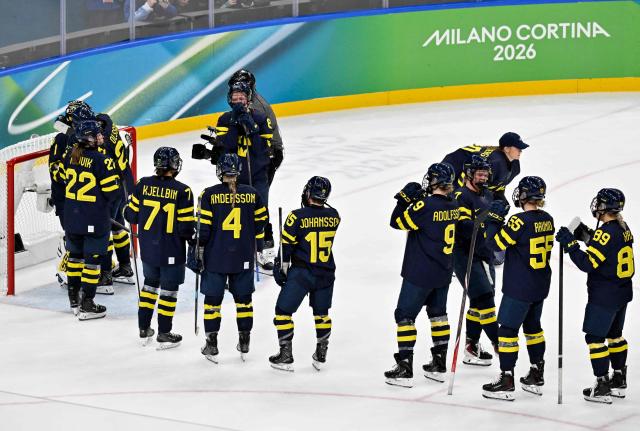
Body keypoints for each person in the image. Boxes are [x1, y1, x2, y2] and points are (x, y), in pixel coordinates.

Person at [384, 163, 459, 387]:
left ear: (435, 181)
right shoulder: (453, 204)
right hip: (443, 271)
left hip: (420, 271)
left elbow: (396, 222)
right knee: (438, 315)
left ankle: (405, 367)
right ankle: (439, 363)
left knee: (405, 315)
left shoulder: (424, 206)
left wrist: (403, 200)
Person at [556, 188, 633, 404]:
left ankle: (602, 385)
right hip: (622, 292)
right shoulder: (623, 227)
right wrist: (586, 235)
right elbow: (607, 247)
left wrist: (571, 245)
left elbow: (589, 264)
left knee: (595, 337)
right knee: (615, 335)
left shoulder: (606, 232)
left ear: (603, 208)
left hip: (604, 295)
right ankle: (619, 379)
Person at [481, 176, 555, 400]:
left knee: (507, 331)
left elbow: (495, 244)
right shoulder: (548, 218)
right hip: (539, 284)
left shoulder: (518, 221)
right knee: (533, 328)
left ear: (524, 196)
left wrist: (493, 219)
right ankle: (536, 373)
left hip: (519, 286)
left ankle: (506, 379)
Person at [194, 153, 268, 363]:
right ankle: (244, 342)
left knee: (212, 303)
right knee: (244, 302)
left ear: (220, 171)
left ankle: (212, 344)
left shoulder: (208, 195)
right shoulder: (252, 194)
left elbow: (203, 231)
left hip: (215, 257)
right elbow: (261, 223)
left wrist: (198, 252)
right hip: (243, 256)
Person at [124, 147, 194, 349]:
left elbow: (132, 216)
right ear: (174, 165)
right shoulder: (183, 191)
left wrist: (125, 209)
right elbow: (185, 229)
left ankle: (144, 328)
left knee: (149, 287)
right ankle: (164, 332)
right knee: (169, 292)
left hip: (148, 249)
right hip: (171, 250)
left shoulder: (143, 185)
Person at [269, 176, 340, 372]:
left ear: (309, 192)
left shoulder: (295, 216)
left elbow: (286, 249)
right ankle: (321, 352)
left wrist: (280, 269)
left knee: (282, 312)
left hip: (302, 273)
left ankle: (285, 355)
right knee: (322, 314)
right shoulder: (334, 215)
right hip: (325, 272)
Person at [62, 120, 120, 320]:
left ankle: (73, 300)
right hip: (94, 219)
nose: (101, 137)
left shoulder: (70, 155)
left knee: (75, 258)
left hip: (71, 217)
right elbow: (113, 192)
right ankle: (87, 302)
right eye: (97, 135)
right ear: (89, 138)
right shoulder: (101, 160)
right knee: (92, 262)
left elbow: (62, 181)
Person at [216, 81, 274, 269]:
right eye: (235, 98)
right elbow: (227, 148)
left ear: (248, 99)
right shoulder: (224, 120)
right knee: (231, 214)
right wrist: (234, 124)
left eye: (242, 98)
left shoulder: (260, 117)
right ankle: (233, 250)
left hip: (257, 175)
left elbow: (261, 151)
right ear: (230, 100)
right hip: (233, 178)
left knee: (261, 212)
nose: (239, 101)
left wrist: (252, 129)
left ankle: (263, 251)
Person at [228, 69, 284, 258]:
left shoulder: (257, 109)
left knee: (258, 202)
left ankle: (265, 246)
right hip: (258, 155)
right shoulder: (245, 102)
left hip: (267, 156)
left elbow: (256, 142)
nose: (236, 94)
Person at [453, 155, 498, 365]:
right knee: (485, 301)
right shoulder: (460, 196)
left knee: (478, 302)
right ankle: (500, 347)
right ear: (470, 174)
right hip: (465, 256)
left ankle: (472, 347)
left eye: (485, 174)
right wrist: (487, 221)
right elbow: (463, 228)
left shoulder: (488, 194)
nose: (483, 177)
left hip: (485, 254)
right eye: (479, 174)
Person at [50, 100, 88, 287]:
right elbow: (55, 169)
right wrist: (70, 178)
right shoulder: (62, 140)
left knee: (83, 235)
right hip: (66, 199)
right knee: (73, 235)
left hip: (80, 198)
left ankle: (82, 268)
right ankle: (67, 270)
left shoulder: (80, 139)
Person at [442, 132, 529, 201]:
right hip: (454, 164)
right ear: (506, 149)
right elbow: (465, 179)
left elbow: (499, 184)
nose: (521, 151)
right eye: (518, 148)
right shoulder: (494, 163)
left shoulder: (514, 165)